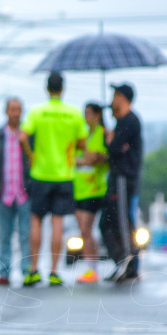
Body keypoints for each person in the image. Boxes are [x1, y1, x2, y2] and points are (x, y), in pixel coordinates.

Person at [20, 72, 88, 286]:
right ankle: (54, 271)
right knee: (57, 221)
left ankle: (33, 270)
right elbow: (83, 144)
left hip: (41, 173)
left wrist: (32, 156)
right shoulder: (73, 114)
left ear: (47, 88)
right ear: (63, 89)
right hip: (65, 174)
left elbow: (22, 137)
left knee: (36, 220)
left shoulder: (38, 112)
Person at [0, 97, 32, 286]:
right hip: (3, 194)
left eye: (18, 109)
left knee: (25, 234)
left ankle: (27, 271)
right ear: (6, 111)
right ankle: (4, 273)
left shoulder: (28, 136)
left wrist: (31, 186)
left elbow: (35, 160)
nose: (15, 113)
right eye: (12, 109)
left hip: (24, 193)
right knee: (5, 235)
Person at [100, 83, 143, 283]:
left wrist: (111, 141)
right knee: (107, 222)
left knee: (123, 220)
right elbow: (116, 148)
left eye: (115, 95)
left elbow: (115, 148)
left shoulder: (130, 121)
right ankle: (120, 260)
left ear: (123, 98)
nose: (112, 99)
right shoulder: (120, 122)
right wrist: (111, 140)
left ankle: (129, 261)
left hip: (125, 178)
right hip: (116, 177)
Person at [74, 102, 109, 284]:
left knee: (87, 229)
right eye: (84, 112)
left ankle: (92, 267)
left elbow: (96, 158)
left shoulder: (102, 133)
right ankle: (91, 266)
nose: (86, 116)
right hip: (79, 187)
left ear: (97, 115)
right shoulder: (83, 133)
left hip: (94, 188)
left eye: (89, 113)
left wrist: (83, 159)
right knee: (84, 230)